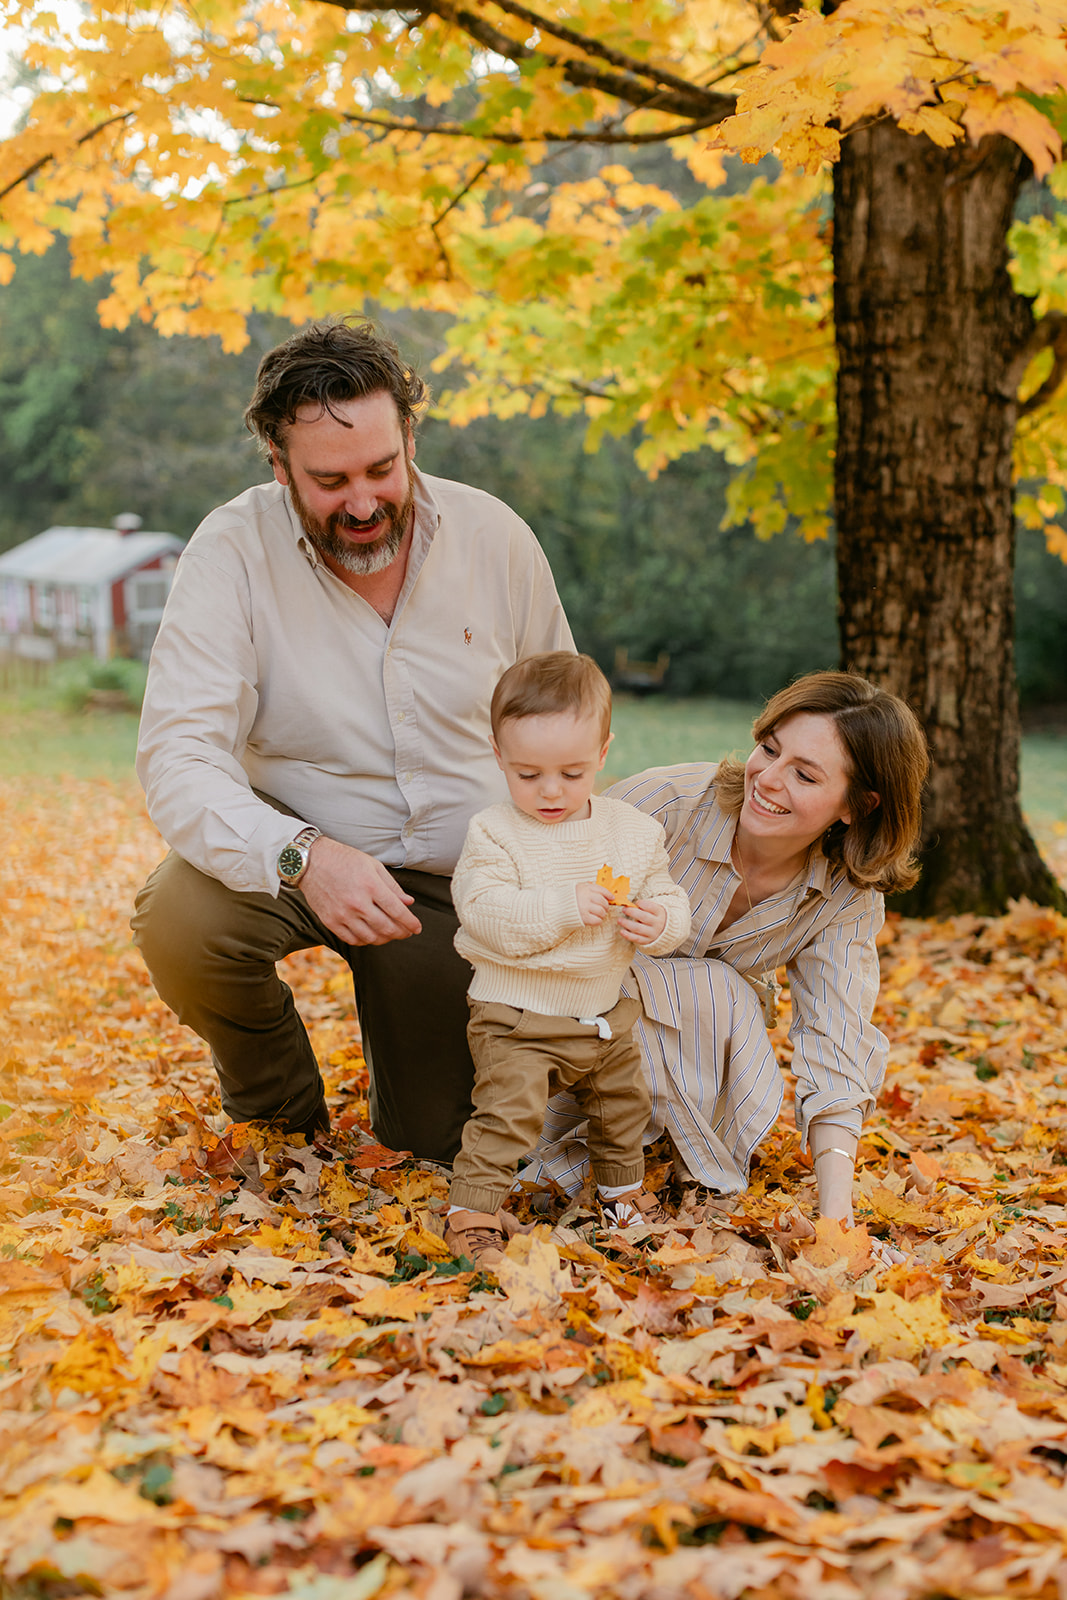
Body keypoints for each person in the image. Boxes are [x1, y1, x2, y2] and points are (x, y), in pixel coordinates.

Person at [131, 318, 572, 1163]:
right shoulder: (230, 551)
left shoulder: (495, 538)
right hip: (301, 845)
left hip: (458, 881)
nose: (363, 504)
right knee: (181, 920)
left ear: (410, 435)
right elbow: (179, 756)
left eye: (381, 468)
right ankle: (281, 1120)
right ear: (277, 464)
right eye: (329, 480)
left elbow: (563, 721)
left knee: (433, 1151)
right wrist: (304, 855)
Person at [525, 670, 928, 1229]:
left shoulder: (844, 895)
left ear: (856, 806)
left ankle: (652, 1171)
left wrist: (837, 1214)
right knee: (710, 987)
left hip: (666, 1079)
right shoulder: (662, 807)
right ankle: (562, 1160)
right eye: (769, 749)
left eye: (805, 775)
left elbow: (837, 1040)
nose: (767, 778)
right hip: (550, 1034)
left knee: (721, 998)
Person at [443, 653, 692, 1265]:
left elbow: (665, 892)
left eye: (572, 773)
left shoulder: (631, 832)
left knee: (624, 1106)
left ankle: (619, 1196)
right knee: (508, 1113)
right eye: (528, 775)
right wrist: (560, 906)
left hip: (605, 1012)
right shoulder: (495, 833)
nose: (550, 791)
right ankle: (470, 1211)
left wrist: (660, 923)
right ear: (498, 756)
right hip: (518, 1015)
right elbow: (485, 912)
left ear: (603, 753)